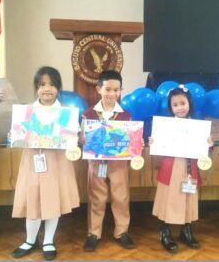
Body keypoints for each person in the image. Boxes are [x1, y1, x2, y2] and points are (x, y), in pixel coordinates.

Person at [12, 66, 80, 260]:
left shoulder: (66, 113)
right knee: (32, 198)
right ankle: (30, 239)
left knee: (52, 199)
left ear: (58, 88)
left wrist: (74, 134)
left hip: (56, 161)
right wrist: (14, 134)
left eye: (51, 84)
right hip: (32, 160)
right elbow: (18, 137)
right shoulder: (26, 111)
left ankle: (49, 240)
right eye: (42, 84)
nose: (47, 89)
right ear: (36, 88)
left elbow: (71, 137)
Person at [149, 85, 212, 252]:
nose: (179, 108)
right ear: (171, 107)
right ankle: (164, 232)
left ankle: (186, 230)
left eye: (182, 103)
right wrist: (154, 143)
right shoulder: (165, 125)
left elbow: (204, 149)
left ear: (189, 103)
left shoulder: (198, 125)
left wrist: (208, 145)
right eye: (175, 105)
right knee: (168, 197)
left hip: (190, 167)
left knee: (188, 197)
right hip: (171, 166)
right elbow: (158, 147)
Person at [81, 70, 135, 252]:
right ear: (99, 89)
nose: (112, 94)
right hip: (96, 163)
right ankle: (93, 233)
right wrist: (82, 139)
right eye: (108, 89)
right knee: (97, 197)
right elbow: (83, 138)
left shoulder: (126, 116)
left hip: (118, 163)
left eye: (116, 90)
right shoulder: (88, 114)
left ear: (121, 91)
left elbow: (130, 140)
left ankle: (121, 232)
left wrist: (136, 142)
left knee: (121, 197)